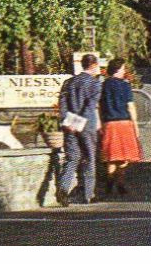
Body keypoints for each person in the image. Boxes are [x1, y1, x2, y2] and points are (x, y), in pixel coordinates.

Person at [56, 54, 103, 206]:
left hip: (69, 123)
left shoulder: (68, 82)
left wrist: (67, 121)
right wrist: (80, 123)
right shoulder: (95, 84)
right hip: (86, 125)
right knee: (89, 158)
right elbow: (89, 106)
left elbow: (62, 103)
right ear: (94, 65)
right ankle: (88, 194)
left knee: (72, 158)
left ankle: (63, 188)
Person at [98, 58, 142, 197]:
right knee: (124, 157)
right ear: (117, 70)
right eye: (123, 68)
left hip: (109, 123)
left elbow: (99, 107)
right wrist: (135, 125)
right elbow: (130, 106)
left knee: (111, 156)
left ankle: (110, 181)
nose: (124, 71)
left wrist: (101, 123)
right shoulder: (125, 85)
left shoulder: (103, 85)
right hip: (124, 122)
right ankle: (120, 183)